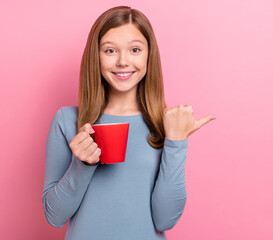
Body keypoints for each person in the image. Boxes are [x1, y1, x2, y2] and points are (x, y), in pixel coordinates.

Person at [42, 6, 215, 240]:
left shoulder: (164, 124)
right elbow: (55, 216)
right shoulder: (67, 120)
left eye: (135, 49)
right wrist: (82, 164)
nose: (123, 61)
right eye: (110, 50)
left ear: (148, 55)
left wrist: (176, 142)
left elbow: (165, 219)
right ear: (96, 55)